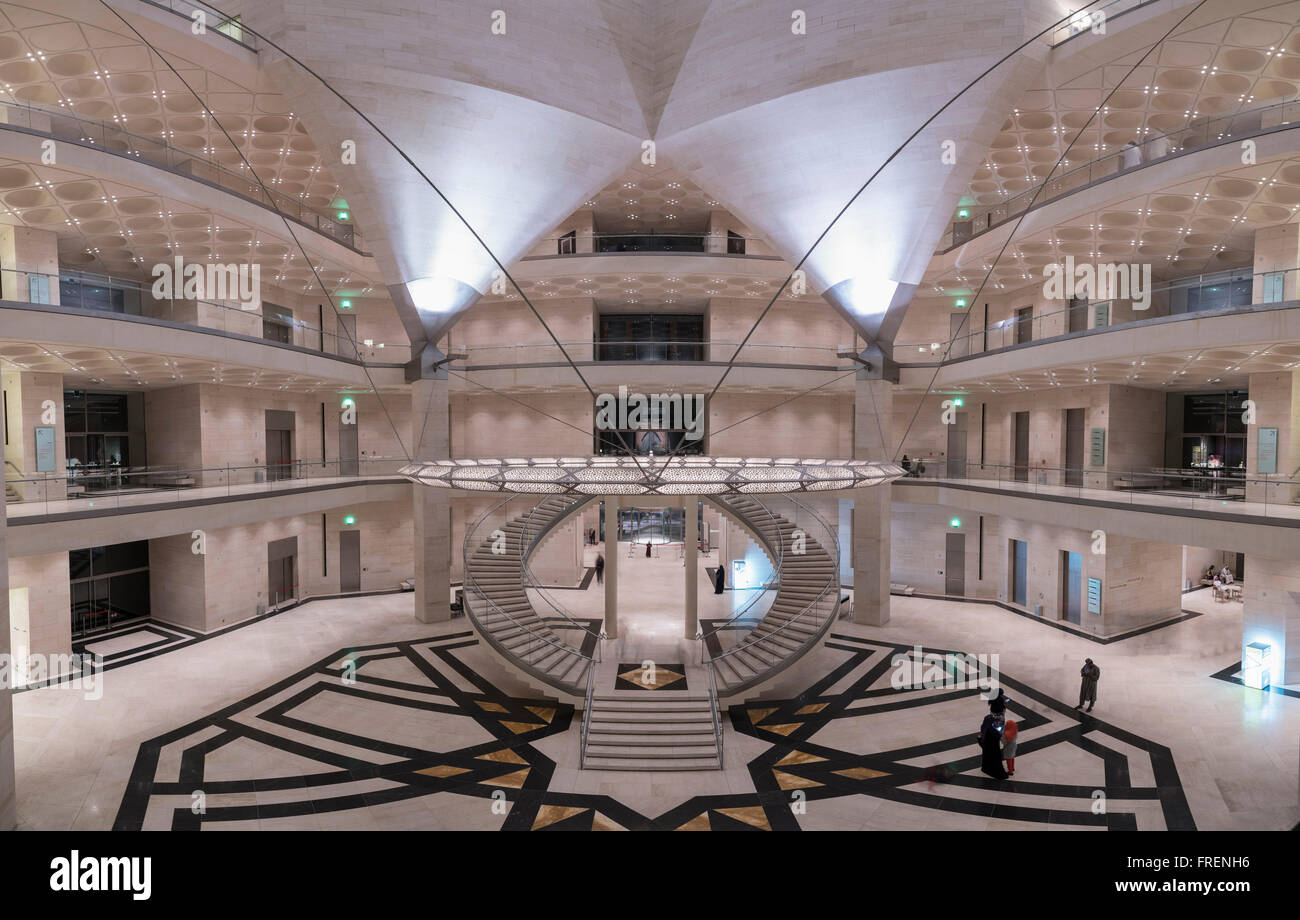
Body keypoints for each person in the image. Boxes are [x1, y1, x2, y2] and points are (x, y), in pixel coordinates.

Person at [978, 697, 1009, 780]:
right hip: (993, 738)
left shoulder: (990, 717)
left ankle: (986, 768)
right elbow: (998, 729)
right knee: (995, 754)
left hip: (990, 737)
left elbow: (983, 728)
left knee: (988, 753)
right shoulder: (999, 716)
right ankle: (996, 771)